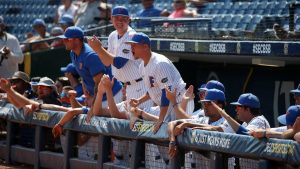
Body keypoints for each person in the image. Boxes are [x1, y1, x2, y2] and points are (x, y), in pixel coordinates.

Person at [126, 32, 194, 132]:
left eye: (134, 45)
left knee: (181, 134)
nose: (131, 48)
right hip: (168, 104)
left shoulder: (159, 63)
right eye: (131, 46)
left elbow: (166, 92)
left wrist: (160, 119)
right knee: (166, 134)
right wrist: (140, 100)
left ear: (145, 47)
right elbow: (152, 89)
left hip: (180, 101)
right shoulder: (142, 66)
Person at [88, 6, 152, 109]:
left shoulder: (132, 36)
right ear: (111, 19)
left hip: (141, 85)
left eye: (123, 18)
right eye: (116, 18)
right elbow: (107, 62)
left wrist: (99, 49)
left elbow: (119, 63)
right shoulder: (112, 35)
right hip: (128, 86)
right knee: (131, 120)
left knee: (142, 120)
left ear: (129, 20)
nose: (120, 21)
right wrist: (98, 49)